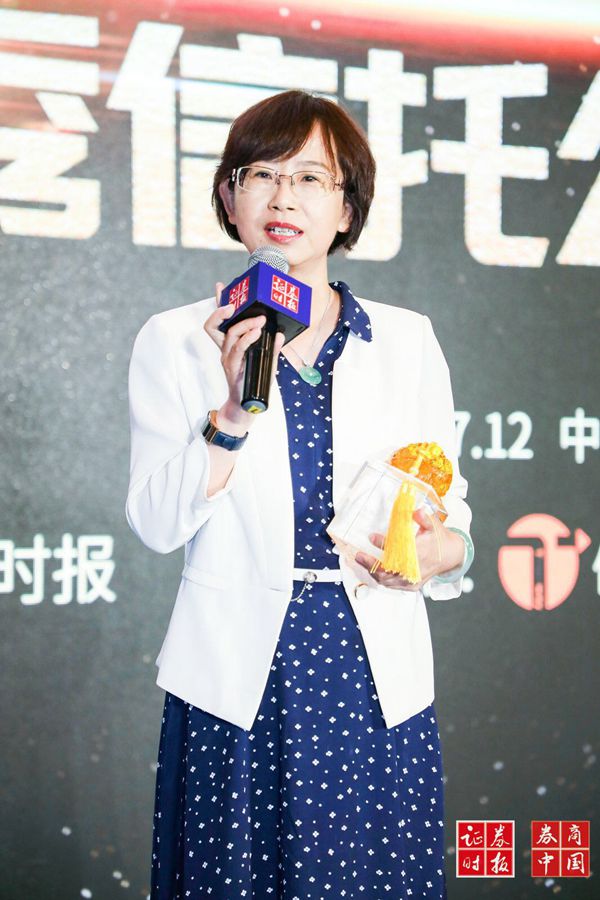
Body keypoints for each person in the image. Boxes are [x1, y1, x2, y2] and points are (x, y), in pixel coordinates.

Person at [125, 89, 473, 899]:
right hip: (235, 673)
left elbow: (453, 521)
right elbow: (156, 522)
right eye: (262, 175)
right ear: (229, 197)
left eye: (311, 178)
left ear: (347, 207)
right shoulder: (178, 340)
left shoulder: (407, 340)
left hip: (372, 670)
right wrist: (230, 415)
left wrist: (434, 554)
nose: (284, 198)